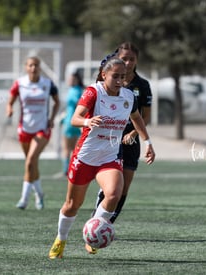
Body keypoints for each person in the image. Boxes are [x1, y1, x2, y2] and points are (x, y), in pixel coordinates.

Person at [48, 57, 156, 259]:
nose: (119, 81)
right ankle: (61, 239)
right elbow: (74, 119)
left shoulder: (128, 96)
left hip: (109, 156)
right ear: (104, 75)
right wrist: (88, 120)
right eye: (115, 76)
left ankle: (93, 233)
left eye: (122, 77)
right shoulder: (93, 92)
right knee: (72, 204)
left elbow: (137, 118)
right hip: (85, 157)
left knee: (114, 194)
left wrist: (147, 142)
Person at [92, 42, 152, 223]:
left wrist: (134, 134)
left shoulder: (142, 85)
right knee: (111, 186)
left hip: (130, 141)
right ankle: (97, 221)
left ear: (137, 61)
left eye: (131, 59)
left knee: (124, 186)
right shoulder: (106, 83)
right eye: (124, 58)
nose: (127, 62)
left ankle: (107, 223)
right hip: (108, 139)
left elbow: (144, 117)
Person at [6, 56, 60, 210]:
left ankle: (24, 199)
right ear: (26, 67)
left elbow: (57, 101)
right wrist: (9, 109)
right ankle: (40, 194)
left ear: (40, 67)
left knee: (30, 161)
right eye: (30, 65)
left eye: (36, 65)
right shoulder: (20, 83)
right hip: (24, 129)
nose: (33, 68)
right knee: (32, 164)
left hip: (42, 129)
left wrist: (52, 118)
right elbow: (10, 101)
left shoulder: (47, 84)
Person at [60, 72, 84, 176]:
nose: (70, 81)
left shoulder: (76, 91)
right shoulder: (79, 90)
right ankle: (73, 169)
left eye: (72, 79)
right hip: (74, 122)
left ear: (77, 80)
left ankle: (67, 170)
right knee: (75, 149)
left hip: (70, 122)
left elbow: (78, 104)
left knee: (67, 148)